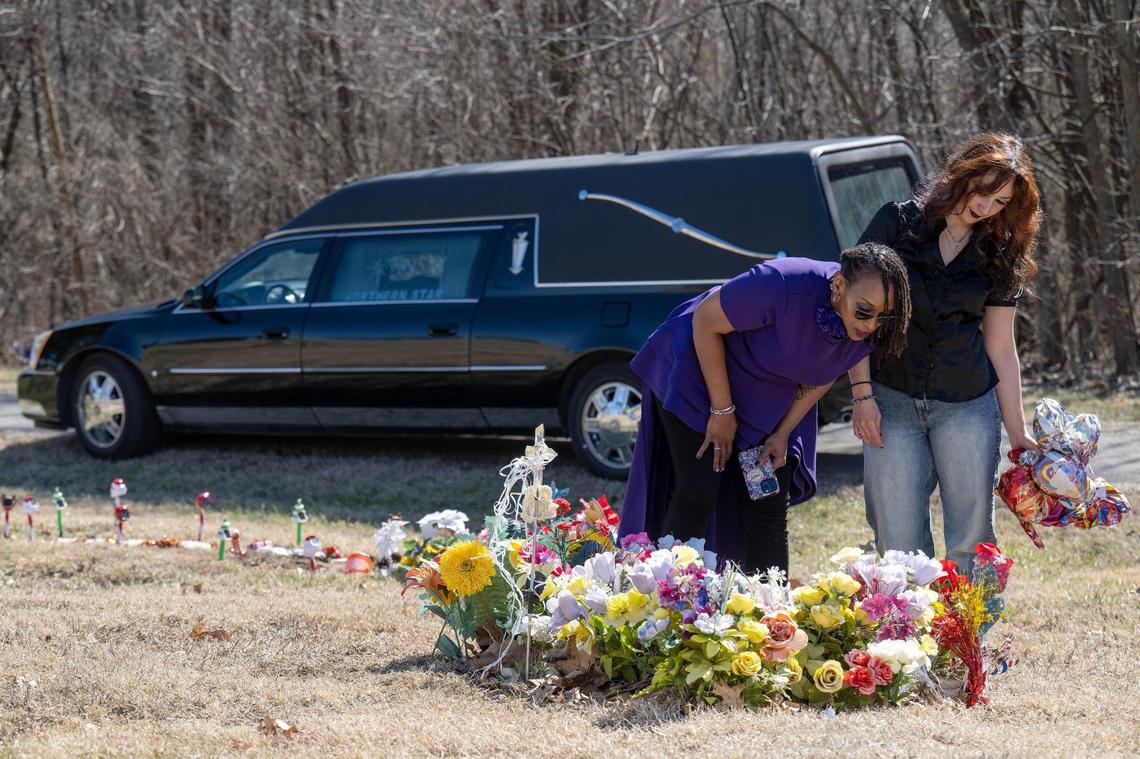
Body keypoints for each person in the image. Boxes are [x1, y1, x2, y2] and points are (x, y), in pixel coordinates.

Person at [619, 244, 912, 574]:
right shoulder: (784, 283)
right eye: (864, 312)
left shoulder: (870, 325)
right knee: (699, 491)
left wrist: (783, 432)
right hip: (699, 375)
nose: (872, 324)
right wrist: (721, 411)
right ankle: (672, 602)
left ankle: (770, 615)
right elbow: (705, 321)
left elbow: (825, 372)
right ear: (840, 286)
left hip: (766, 398)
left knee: (767, 505)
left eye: (883, 316)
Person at [849, 133, 1042, 573]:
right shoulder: (894, 225)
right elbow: (855, 318)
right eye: (985, 190)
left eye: (1002, 201)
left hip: (968, 407)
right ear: (964, 173)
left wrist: (1016, 430)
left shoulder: (998, 251)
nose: (989, 206)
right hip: (890, 398)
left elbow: (999, 345)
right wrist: (862, 395)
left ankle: (966, 638)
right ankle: (907, 640)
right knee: (897, 539)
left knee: (971, 537)